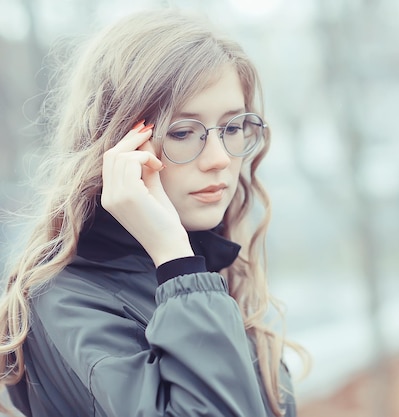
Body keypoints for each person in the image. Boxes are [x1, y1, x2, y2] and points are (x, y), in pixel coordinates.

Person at [0, 8, 308, 417]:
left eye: (232, 128)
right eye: (182, 132)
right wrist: (178, 265)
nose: (219, 159)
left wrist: (184, 268)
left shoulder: (206, 267)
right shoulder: (66, 300)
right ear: (119, 147)